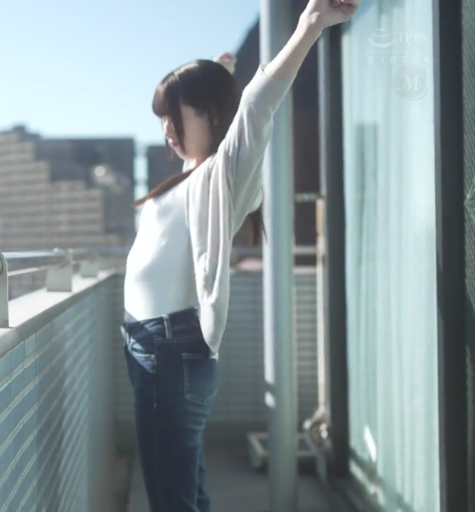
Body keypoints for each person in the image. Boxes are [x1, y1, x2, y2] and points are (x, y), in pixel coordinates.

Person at [120, 1, 360, 510]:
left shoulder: (220, 177)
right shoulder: (189, 176)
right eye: (162, 119)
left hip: (170, 350)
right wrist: (218, 73)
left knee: (172, 495)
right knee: (179, 489)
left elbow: (257, 103)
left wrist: (308, 27)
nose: (166, 130)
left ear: (209, 115)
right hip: (148, 347)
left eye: (174, 116)